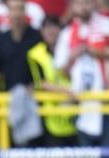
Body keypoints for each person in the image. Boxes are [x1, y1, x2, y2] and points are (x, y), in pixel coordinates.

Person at [54, 0, 109, 146]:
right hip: (80, 102)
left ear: (94, 3)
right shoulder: (67, 33)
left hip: (106, 99)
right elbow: (61, 71)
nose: (83, 6)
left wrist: (98, 53)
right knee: (86, 156)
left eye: (87, 2)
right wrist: (73, 57)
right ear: (72, 6)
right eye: (79, 3)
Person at [27, 17, 77, 146]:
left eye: (54, 27)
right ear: (41, 31)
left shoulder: (71, 49)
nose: (50, 31)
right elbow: (40, 82)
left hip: (75, 109)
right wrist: (67, 91)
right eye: (46, 27)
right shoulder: (35, 54)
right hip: (50, 113)